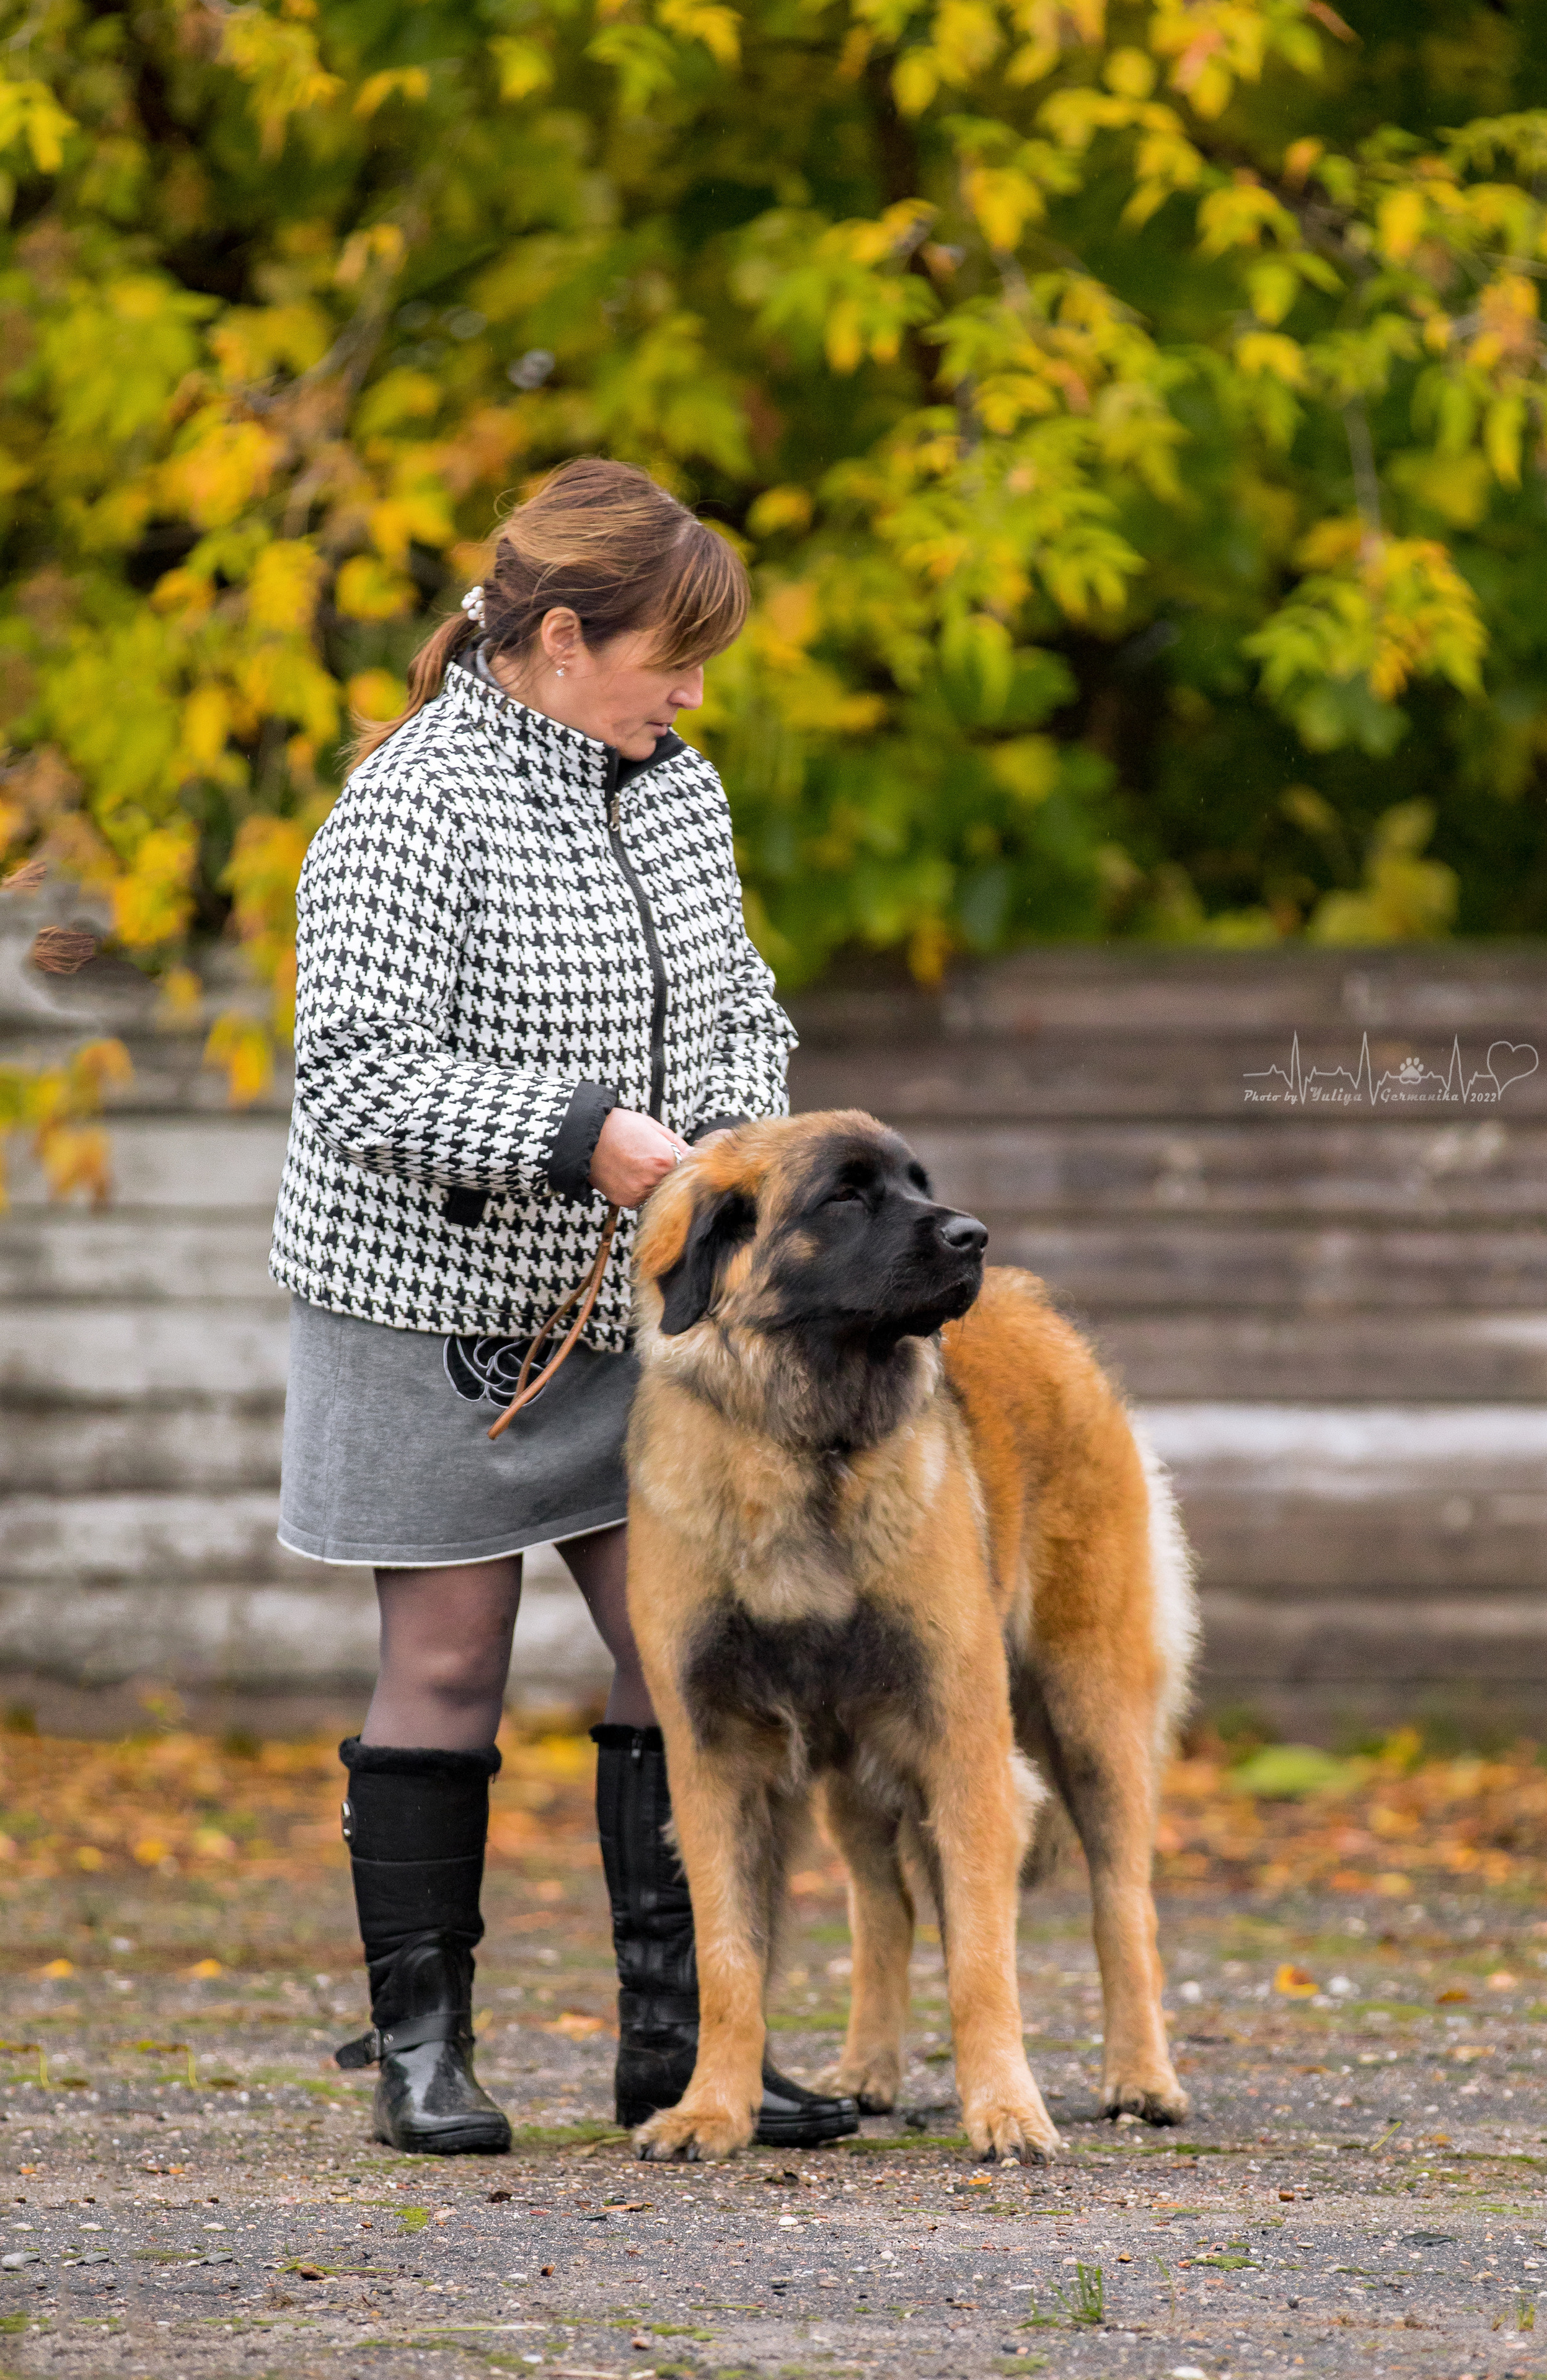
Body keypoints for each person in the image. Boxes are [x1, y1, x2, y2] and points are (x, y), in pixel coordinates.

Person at [268, 457, 858, 2155]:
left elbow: (738, 997)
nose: (691, 692)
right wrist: (578, 1137)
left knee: (679, 1657)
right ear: (557, 636)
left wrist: (732, 1153)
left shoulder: (674, 784)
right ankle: (421, 2058)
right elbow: (356, 1072)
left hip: (644, 1319)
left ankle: (682, 2053)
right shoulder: (410, 806)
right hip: (427, 1302)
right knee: (448, 1663)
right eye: (668, 656)